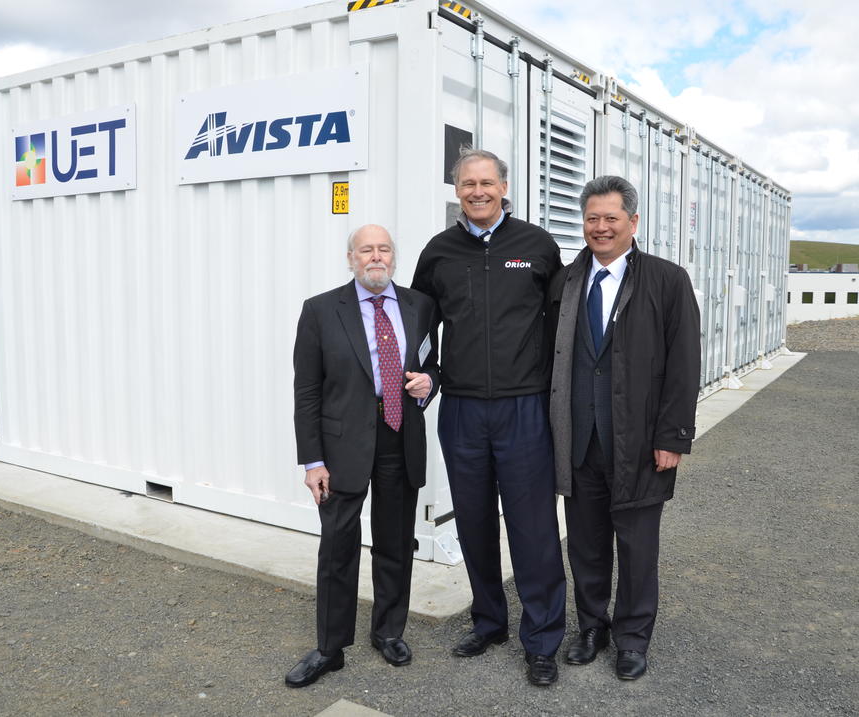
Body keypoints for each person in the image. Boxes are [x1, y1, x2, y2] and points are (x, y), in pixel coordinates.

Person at [411, 148, 566, 687]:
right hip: (464, 409)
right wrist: (427, 375)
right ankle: (490, 622)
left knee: (533, 528)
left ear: (504, 186)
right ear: (456, 190)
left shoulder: (537, 246)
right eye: (467, 183)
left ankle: (542, 640)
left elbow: (560, 326)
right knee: (474, 522)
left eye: (486, 182)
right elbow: (421, 329)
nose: (477, 191)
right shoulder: (438, 252)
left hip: (525, 408)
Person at [548, 175, 701, 680]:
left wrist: (672, 438)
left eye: (611, 218)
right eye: (592, 218)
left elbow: (683, 364)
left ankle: (633, 638)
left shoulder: (666, 280)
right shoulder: (567, 281)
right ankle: (593, 626)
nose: (601, 227)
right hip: (579, 440)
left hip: (638, 443)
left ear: (633, 222)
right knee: (586, 543)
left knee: (637, 548)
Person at [286, 224, 439, 688]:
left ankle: (389, 631)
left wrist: (429, 384)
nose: (376, 257)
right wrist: (313, 461)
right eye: (366, 250)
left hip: (399, 434)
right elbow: (307, 391)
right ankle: (330, 648)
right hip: (342, 445)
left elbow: (432, 363)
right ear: (350, 258)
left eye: (384, 249)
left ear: (394, 257)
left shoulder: (420, 306)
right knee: (338, 547)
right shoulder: (320, 310)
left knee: (395, 542)